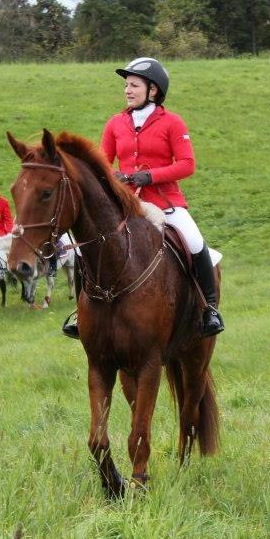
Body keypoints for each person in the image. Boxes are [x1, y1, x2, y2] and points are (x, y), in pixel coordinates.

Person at [62, 56, 224, 339]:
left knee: (196, 242)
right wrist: (116, 176)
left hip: (165, 202)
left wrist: (150, 176)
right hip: (126, 205)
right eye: (126, 85)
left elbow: (187, 164)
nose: (127, 90)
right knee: (80, 249)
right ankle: (81, 311)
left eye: (134, 85)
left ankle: (209, 308)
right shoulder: (115, 123)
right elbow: (103, 164)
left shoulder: (172, 122)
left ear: (153, 90)